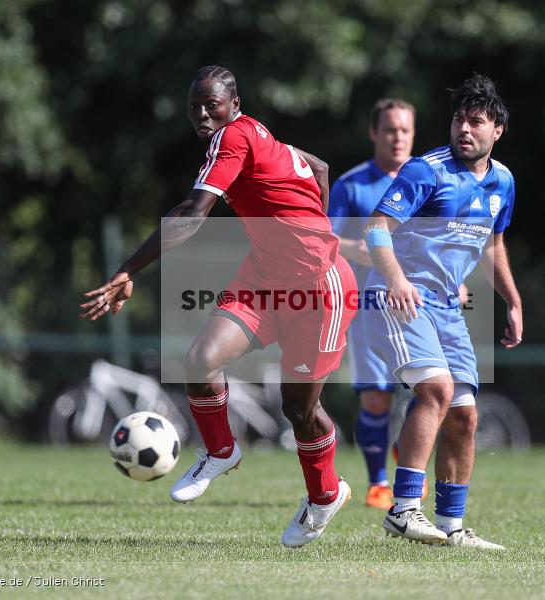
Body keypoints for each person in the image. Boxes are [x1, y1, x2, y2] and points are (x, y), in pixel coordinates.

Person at [80, 66, 358, 548]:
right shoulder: (250, 133)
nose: (203, 114)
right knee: (201, 359)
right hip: (265, 277)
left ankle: (325, 495)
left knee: (300, 410)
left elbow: (192, 215)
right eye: (195, 107)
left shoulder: (233, 138)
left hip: (319, 289)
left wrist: (127, 269)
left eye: (212, 105)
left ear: (234, 105)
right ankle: (221, 451)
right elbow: (318, 167)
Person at [361, 73, 522, 548]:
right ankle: (403, 510)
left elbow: (493, 244)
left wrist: (512, 300)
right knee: (436, 389)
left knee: (465, 415)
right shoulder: (425, 171)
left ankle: (452, 526)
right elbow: (375, 228)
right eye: (458, 120)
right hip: (397, 297)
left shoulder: (503, 181)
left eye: (476, 122)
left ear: (498, 131)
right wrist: (396, 279)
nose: (464, 129)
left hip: (447, 308)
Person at [327, 98, 417, 510]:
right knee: (377, 397)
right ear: (374, 133)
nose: (397, 137)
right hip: (367, 307)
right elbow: (323, 238)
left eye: (405, 130)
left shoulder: (427, 179)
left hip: (421, 304)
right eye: (390, 129)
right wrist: (354, 249)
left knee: (430, 392)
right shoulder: (352, 185)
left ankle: (407, 449)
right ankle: (379, 482)